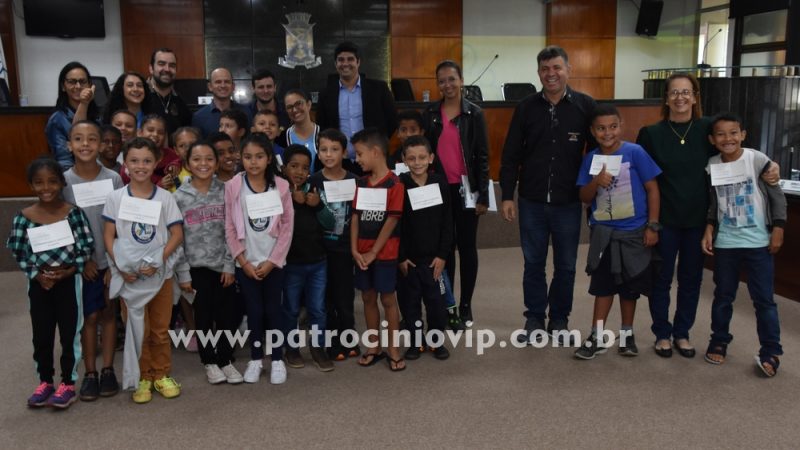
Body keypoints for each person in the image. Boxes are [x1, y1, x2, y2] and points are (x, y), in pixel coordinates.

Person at [500, 45, 596, 343]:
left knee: (566, 266)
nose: (551, 74)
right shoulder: (526, 107)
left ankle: (559, 320)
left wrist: (592, 195)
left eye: (557, 68)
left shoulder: (585, 106)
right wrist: (506, 195)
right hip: (531, 200)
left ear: (568, 70)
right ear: (538, 72)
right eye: (545, 69)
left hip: (568, 202)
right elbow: (510, 154)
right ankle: (534, 318)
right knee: (534, 264)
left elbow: (595, 155)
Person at [102, 137, 190, 404]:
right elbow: (109, 235)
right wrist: (119, 266)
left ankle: (161, 374)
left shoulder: (165, 197)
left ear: (157, 163)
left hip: (158, 276)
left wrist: (158, 261)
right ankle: (143, 377)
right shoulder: (116, 198)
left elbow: (176, 235)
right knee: (137, 329)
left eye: (147, 161)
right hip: (130, 278)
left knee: (160, 329)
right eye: (134, 161)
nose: (141, 166)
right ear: (125, 164)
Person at [573, 104, 661, 360]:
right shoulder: (591, 158)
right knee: (603, 287)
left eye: (613, 126)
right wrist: (595, 181)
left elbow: (653, 189)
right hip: (604, 234)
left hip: (634, 232)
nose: (607, 133)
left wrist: (653, 225)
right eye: (601, 128)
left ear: (621, 126)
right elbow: (584, 197)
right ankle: (597, 335)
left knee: (629, 287)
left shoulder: (635, 153)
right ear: (593, 131)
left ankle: (626, 334)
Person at [700, 113, 786, 377]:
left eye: (734, 133)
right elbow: (714, 204)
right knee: (723, 296)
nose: (728, 139)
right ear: (712, 140)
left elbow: (776, 195)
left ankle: (771, 351)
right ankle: (719, 340)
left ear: (743, 135)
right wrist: (709, 229)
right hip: (726, 243)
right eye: (722, 134)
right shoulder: (711, 165)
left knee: (763, 300)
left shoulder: (757, 159)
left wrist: (778, 229)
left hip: (758, 243)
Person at [7, 157, 94, 409]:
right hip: (39, 283)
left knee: (70, 333)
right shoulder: (24, 217)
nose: (46, 187)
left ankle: (68, 382)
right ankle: (45, 381)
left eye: (52, 182)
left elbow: (86, 246)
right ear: (31, 185)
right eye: (39, 183)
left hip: (68, 281)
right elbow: (18, 251)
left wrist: (70, 270)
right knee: (41, 334)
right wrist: (37, 276)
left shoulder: (73, 214)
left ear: (61, 182)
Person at [421, 60, 490, 327]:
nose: (447, 85)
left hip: (466, 190)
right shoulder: (429, 113)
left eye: (452, 79)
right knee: (445, 249)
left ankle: (465, 305)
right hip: (439, 189)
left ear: (461, 80)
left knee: (467, 247)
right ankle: (448, 303)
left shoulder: (475, 114)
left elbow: (483, 156)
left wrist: (483, 193)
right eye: (442, 81)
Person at [61, 121, 124, 400]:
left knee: (109, 313)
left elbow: (120, 224)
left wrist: (113, 264)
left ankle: (108, 369)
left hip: (109, 262)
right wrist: (81, 260)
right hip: (81, 265)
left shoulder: (113, 178)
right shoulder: (63, 182)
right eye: (78, 139)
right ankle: (90, 372)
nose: (85, 144)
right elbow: (63, 227)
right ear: (69, 145)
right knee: (89, 317)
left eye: (91, 139)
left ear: (101, 145)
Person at [224, 134, 293, 384]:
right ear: (240, 158)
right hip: (248, 262)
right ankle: (255, 358)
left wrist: (273, 261)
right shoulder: (233, 185)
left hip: (273, 262)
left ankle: (276, 359)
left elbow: (287, 227)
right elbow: (230, 227)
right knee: (254, 311)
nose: (253, 162)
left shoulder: (281, 185)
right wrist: (242, 262)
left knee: (274, 310)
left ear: (268, 158)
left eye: (259, 156)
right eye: (248, 157)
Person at [174, 141, 242, 384]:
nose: (203, 164)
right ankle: (209, 361)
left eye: (208, 159)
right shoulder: (179, 197)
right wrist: (183, 274)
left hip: (223, 266)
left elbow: (232, 230)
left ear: (216, 163)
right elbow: (177, 238)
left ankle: (225, 359)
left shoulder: (226, 191)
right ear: (187, 164)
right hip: (195, 268)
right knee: (203, 316)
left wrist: (229, 265)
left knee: (227, 316)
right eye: (196, 159)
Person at [350, 128, 406, 371]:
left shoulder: (395, 184)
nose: (357, 159)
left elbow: (392, 221)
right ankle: (374, 345)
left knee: (387, 299)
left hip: (384, 254)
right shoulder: (361, 182)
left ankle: (393, 348)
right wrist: (354, 249)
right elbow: (355, 218)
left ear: (375, 152)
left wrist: (374, 252)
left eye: (360, 154)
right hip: (361, 253)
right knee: (368, 297)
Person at [397, 135, 452, 361]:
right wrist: (400, 257)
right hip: (409, 260)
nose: (417, 162)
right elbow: (395, 223)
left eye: (422, 157)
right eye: (412, 158)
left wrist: (442, 255)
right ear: (404, 160)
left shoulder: (439, 183)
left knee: (436, 305)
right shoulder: (400, 185)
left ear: (431, 158)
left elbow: (447, 222)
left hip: (434, 261)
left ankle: (436, 341)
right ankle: (415, 343)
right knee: (410, 305)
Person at [281, 144, 334, 372]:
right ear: (284, 168)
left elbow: (331, 223)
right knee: (291, 308)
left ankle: (318, 348)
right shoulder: (280, 192)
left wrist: (318, 205)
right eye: (294, 166)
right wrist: (291, 201)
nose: (300, 172)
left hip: (317, 262)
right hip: (292, 263)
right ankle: (291, 348)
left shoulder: (316, 189)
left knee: (318, 308)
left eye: (305, 167)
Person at [310, 129, 360, 361]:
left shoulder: (354, 181)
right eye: (323, 150)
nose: (329, 154)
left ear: (344, 152)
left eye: (334, 149)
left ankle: (349, 339)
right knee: (326, 297)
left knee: (345, 295)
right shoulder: (314, 181)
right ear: (318, 153)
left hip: (345, 249)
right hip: (321, 250)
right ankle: (332, 342)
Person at [316, 41, 397, 161]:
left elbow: (392, 120)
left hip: (373, 158)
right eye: (341, 60)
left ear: (358, 62)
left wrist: (378, 144)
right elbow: (323, 127)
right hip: (341, 162)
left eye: (350, 59)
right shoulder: (326, 94)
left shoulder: (379, 89)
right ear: (335, 64)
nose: (345, 63)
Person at [46, 61, 100, 170]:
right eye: (72, 82)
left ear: (90, 85)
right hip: (71, 174)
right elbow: (63, 159)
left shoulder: (98, 116)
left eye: (82, 81)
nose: (78, 86)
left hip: (98, 172)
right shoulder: (57, 119)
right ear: (63, 86)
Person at [121, 114, 182, 191]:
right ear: (140, 132)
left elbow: (184, 163)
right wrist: (159, 185)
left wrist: (176, 164)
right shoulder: (131, 159)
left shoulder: (172, 154)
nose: (155, 134)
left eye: (160, 132)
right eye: (150, 130)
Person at [144, 48, 192, 135]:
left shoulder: (181, 103)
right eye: (161, 64)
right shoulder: (140, 97)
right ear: (151, 68)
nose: (167, 69)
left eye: (172, 65)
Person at [192, 67, 250, 138]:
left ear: (233, 86)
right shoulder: (199, 117)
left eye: (227, 82)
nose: (223, 85)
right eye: (218, 82)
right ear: (210, 86)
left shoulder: (246, 112)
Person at [281, 89, 320, 170]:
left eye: (298, 104)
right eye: (289, 107)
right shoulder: (282, 138)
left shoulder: (324, 134)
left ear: (309, 104)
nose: (294, 110)